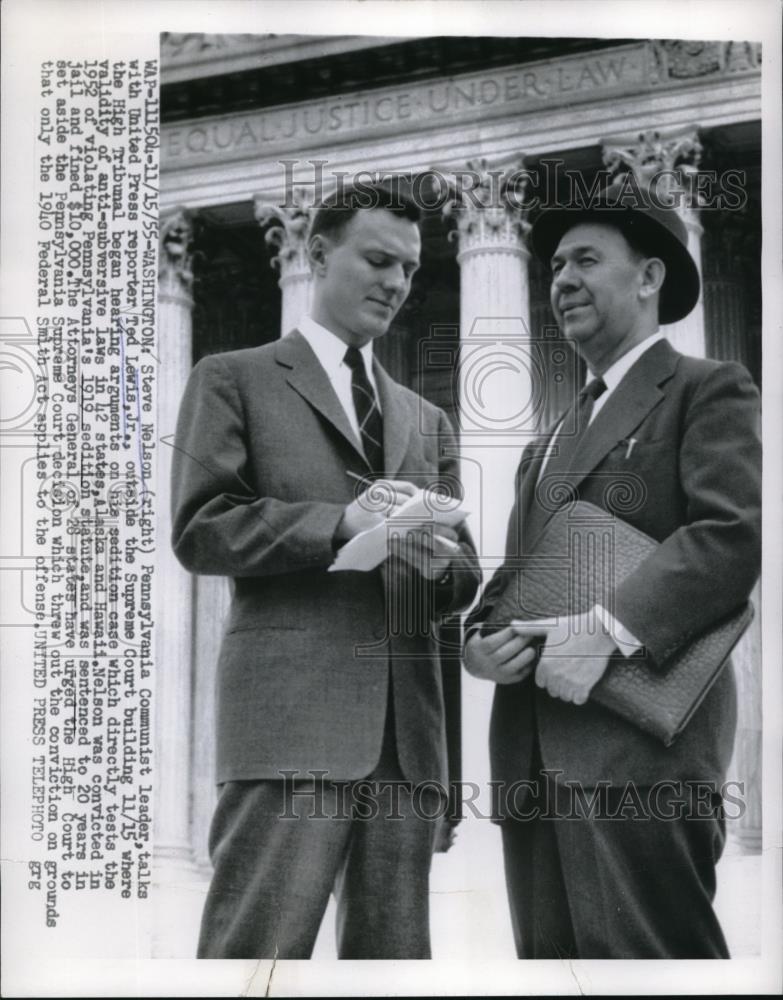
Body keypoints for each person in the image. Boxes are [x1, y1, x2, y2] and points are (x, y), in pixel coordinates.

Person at [171, 182, 480, 959]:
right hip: (290, 728)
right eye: (377, 260)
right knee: (255, 960)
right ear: (315, 254)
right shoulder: (232, 376)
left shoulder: (424, 418)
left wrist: (443, 564)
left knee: (392, 972)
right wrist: (339, 524)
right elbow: (199, 529)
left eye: (408, 269)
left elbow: (463, 576)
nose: (395, 283)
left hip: (406, 743)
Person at [464, 179, 761, 958]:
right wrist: (478, 644)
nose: (559, 280)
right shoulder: (545, 441)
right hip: (531, 763)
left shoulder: (706, 390)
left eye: (584, 260)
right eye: (555, 264)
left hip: (641, 757)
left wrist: (606, 630)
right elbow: (513, 581)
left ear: (650, 276)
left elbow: (731, 537)